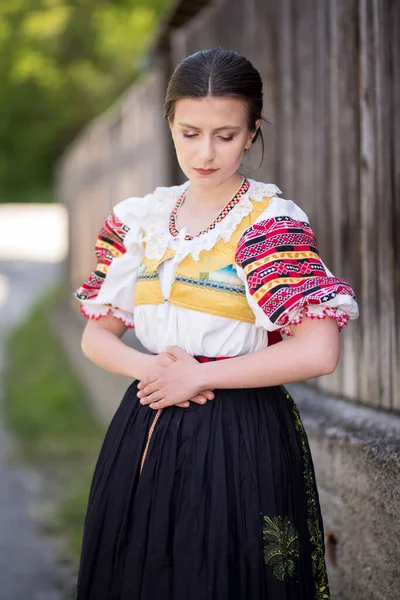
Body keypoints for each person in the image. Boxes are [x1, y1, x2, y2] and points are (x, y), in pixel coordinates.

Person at [73, 48, 358, 600]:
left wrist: (199, 378)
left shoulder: (270, 223)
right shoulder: (140, 220)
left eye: (225, 135)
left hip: (239, 430)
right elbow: (96, 333)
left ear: (252, 133)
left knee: (227, 578)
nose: (205, 152)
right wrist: (156, 370)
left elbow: (318, 352)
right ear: (170, 126)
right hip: (146, 424)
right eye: (190, 132)